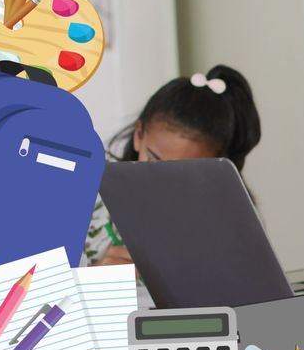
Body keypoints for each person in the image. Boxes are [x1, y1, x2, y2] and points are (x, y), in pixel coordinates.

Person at [85, 65, 261, 266]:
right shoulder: (85, 190)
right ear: (139, 135)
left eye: (183, 175)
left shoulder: (228, 222)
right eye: (153, 161)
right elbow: (43, 289)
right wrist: (93, 279)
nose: (161, 184)